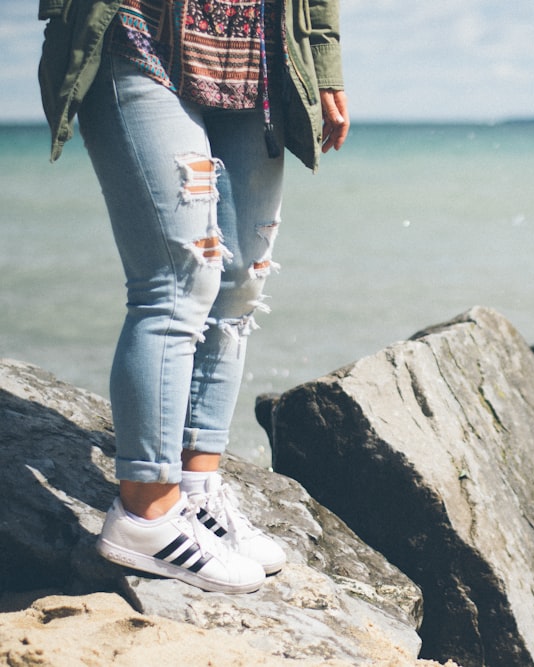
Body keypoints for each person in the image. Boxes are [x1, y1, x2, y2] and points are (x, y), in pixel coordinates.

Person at [38, 0, 349, 594]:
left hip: (259, 52)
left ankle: (196, 486)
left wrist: (325, 62)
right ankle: (146, 512)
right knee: (179, 280)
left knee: (241, 281)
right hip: (137, 32)